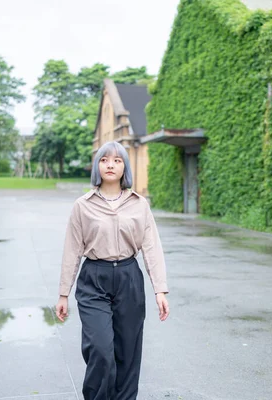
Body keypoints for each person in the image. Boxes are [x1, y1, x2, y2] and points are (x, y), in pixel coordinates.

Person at [55, 141, 170, 400]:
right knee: (100, 349)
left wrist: (160, 290)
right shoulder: (82, 206)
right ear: (97, 165)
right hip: (94, 279)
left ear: (124, 167)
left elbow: (151, 247)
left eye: (117, 160)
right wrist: (63, 293)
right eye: (105, 159)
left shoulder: (139, 205)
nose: (110, 164)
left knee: (128, 351)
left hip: (129, 278)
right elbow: (72, 250)